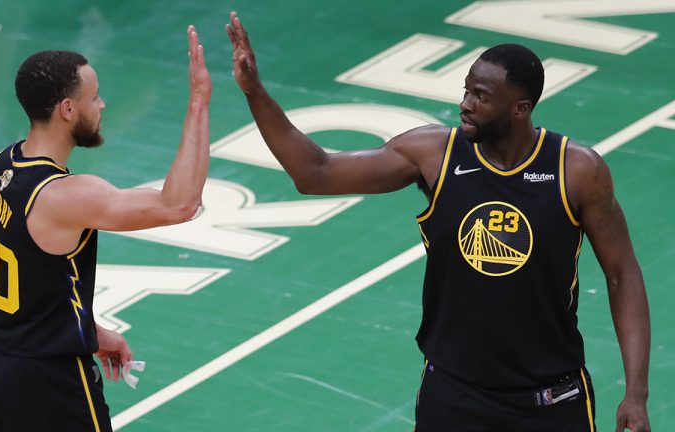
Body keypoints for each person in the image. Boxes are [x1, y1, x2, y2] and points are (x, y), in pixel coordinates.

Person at [226, 11, 651, 432]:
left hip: (551, 401)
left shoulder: (577, 171)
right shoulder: (434, 154)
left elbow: (621, 273)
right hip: (454, 397)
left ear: (520, 108)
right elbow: (314, 173)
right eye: (466, 90)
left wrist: (636, 393)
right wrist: (255, 92)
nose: (464, 104)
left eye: (481, 97)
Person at [0, 25, 211, 431]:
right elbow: (179, 204)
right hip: (51, 385)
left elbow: (32, 279)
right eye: (94, 97)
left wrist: (90, 331)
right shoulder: (66, 195)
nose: (102, 104)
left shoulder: (3, 165)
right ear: (67, 109)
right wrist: (198, 103)